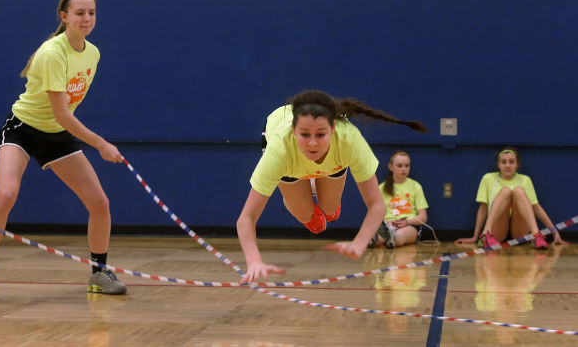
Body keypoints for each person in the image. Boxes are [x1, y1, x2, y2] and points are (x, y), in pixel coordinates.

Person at [0, 0, 127, 302]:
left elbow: (64, 117)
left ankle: (99, 272)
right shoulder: (52, 53)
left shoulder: (93, 53)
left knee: (100, 203)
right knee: (6, 194)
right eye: (79, 13)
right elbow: (63, 112)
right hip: (22, 131)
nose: (86, 19)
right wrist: (101, 144)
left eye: (91, 13)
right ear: (64, 16)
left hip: (56, 136)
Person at [236, 90, 428, 284]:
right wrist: (254, 262)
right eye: (304, 134)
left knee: (329, 213)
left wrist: (359, 243)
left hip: (331, 162)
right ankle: (300, 185)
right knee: (314, 223)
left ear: (333, 128)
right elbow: (246, 218)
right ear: (294, 130)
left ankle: (314, 182)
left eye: (320, 134)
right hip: (290, 164)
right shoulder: (279, 149)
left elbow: (377, 205)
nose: (312, 143)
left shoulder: (349, 140)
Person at [455, 146, 568, 249]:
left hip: (519, 230)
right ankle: (485, 235)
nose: (507, 165)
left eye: (511, 162)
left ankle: (536, 235)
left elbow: (536, 208)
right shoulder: (488, 178)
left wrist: (555, 234)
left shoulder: (525, 180)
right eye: (504, 162)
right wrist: (475, 237)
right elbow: (483, 209)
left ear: (517, 164)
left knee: (518, 190)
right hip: (497, 231)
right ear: (498, 164)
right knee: (505, 191)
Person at [369, 151, 428, 248]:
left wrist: (407, 222)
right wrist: (386, 223)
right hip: (387, 226)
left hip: (409, 226)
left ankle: (389, 239)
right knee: (373, 233)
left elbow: (423, 217)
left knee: (400, 235)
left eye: (407, 165)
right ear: (391, 167)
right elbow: (375, 213)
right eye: (400, 166)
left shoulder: (416, 186)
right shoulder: (382, 188)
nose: (404, 169)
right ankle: (377, 239)